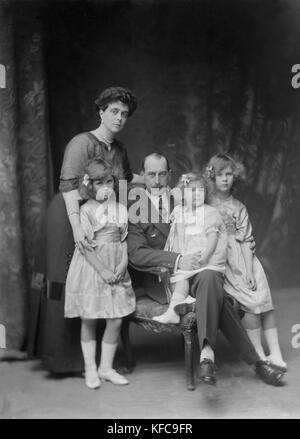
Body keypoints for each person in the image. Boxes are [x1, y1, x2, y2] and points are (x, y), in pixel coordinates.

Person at [127, 152, 285, 386]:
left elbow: (219, 223)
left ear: (170, 175)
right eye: (151, 175)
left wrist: (242, 241)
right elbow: (136, 254)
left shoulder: (184, 195)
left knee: (210, 277)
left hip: (203, 268)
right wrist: (179, 259)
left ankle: (207, 357)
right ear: (143, 176)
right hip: (168, 277)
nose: (157, 180)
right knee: (214, 290)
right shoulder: (136, 208)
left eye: (162, 174)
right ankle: (256, 363)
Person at [29, 87, 140, 373]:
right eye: (114, 111)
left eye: (124, 114)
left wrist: (157, 183)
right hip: (70, 216)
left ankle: (98, 363)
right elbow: (68, 187)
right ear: (101, 112)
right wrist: (77, 227)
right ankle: (64, 360)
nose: (119, 118)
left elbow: (126, 182)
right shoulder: (81, 143)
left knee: (97, 284)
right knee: (70, 281)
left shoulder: (119, 149)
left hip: (102, 217)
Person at [206, 153, 286, 372]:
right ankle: (259, 353)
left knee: (264, 301)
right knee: (252, 304)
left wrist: (249, 269)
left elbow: (245, 240)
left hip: (244, 258)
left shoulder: (239, 207)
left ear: (234, 177)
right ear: (212, 177)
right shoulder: (206, 204)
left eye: (229, 174)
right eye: (220, 174)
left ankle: (275, 351)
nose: (224, 179)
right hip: (223, 260)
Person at [64, 157, 135, 389]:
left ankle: (106, 367)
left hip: (116, 266)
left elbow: (124, 239)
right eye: (99, 183)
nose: (106, 187)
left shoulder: (120, 210)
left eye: (109, 181)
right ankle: (90, 369)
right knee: (90, 319)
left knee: (115, 320)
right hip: (93, 267)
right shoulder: (86, 211)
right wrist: (103, 269)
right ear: (90, 186)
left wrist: (122, 263)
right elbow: (84, 246)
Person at [153, 172, 227, 324]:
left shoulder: (209, 212)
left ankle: (183, 305)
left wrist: (205, 257)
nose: (195, 195)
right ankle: (175, 309)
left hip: (202, 257)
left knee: (184, 276)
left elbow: (213, 238)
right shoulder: (180, 211)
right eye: (191, 191)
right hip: (186, 256)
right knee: (178, 278)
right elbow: (175, 234)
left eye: (200, 191)